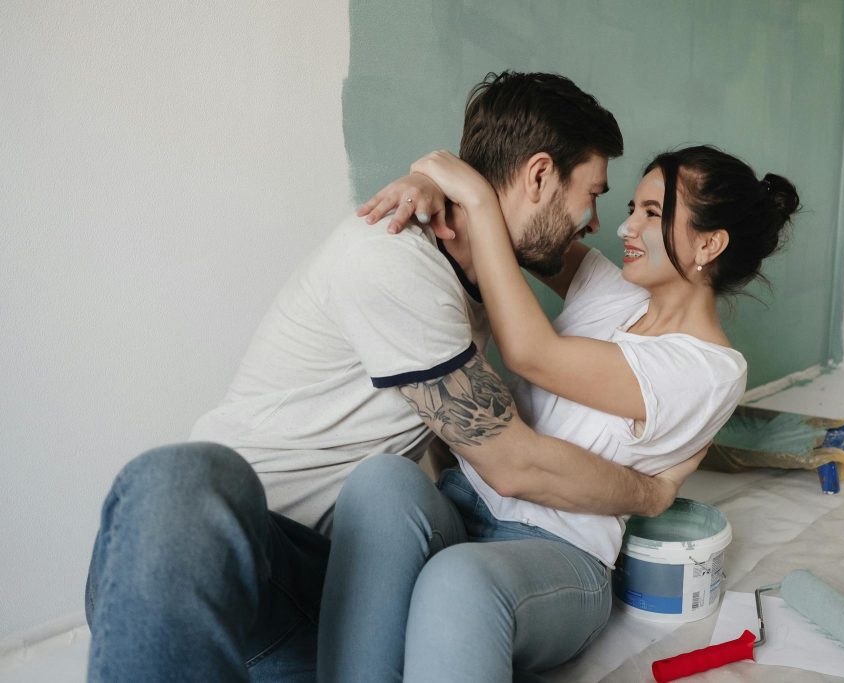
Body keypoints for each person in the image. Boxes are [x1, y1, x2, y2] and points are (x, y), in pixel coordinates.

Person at [83, 71, 697, 683]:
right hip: (238, 573)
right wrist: (652, 493)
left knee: (386, 485)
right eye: (592, 194)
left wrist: (444, 182)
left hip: (337, 598)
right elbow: (513, 463)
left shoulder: (481, 270)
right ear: (539, 175)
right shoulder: (393, 257)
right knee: (180, 475)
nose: (595, 221)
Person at [351, 144, 799, 680]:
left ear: (709, 241)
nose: (624, 228)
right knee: (382, 481)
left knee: (459, 577)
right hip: (463, 503)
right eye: (632, 208)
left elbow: (532, 353)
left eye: (651, 214)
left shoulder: (710, 370)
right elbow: (523, 232)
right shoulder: (612, 290)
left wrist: (473, 195)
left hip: (560, 556)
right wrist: (427, 185)